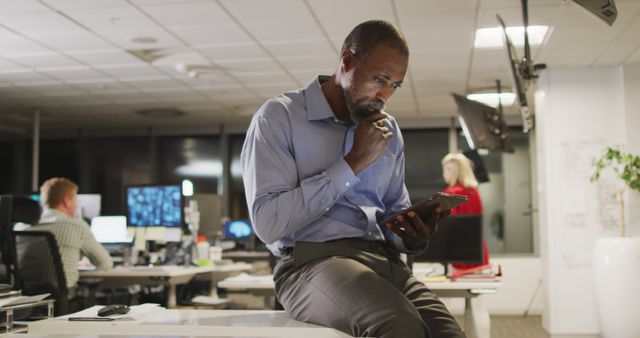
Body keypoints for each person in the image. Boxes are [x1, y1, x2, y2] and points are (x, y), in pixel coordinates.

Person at [241, 20, 465, 338]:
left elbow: (392, 214)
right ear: (347, 62)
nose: (385, 95)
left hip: (381, 260)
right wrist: (354, 162)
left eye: (395, 85)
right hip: (309, 263)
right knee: (399, 324)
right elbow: (268, 223)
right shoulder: (278, 117)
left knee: (448, 332)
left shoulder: (389, 131)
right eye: (379, 79)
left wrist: (411, 237)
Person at [23, 177, 112, 293]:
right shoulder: (76, 226)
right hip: (62, 302)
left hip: (25, 303)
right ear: (66, 201)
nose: (76, 205)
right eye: (75, 200)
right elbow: (105, 264)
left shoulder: (23, 227)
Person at [441, 153, 489, 270]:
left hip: (460, 253)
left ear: (451, 170)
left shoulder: (451, 194)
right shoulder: (474, 192)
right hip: (478, 251)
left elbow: (448, 226)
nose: (443, 173)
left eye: (445, 169)